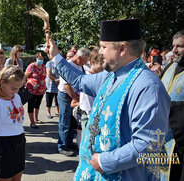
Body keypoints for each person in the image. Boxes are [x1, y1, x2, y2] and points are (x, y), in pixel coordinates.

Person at [46, 18, 170, 180]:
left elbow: (149, 145)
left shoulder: (148, 87)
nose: (100, 52)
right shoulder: (111, 75)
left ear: (123, 48)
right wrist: (56, 57)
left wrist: (105, 162)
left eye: (104, 47)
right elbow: (80, 81)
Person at [57, 48, 90, 157]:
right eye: (85, 61)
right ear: (79, 57)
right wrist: (75, 99)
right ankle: (62, 146)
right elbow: (67, 86)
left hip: (74, 96)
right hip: (66, 96)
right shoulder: (68, 65)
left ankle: (69, 143)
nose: (86, 63)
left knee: (72, 123)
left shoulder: (79, 65)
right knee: (64, 122)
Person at [160, 29, 184, 181]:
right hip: (162, 138)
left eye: (180, 46)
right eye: (173, 46)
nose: (174, 50)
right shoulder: (169, 68)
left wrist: (168, 108)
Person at [25, 52, 46, 128]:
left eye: (42, 58)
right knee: (31, 105)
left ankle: (36, 119)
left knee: (37, 105)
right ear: (36, 58)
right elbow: (26, 75)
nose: (40, 60)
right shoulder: (32, 66)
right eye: (39, 58)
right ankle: (32, 122)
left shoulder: (43, 66)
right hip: (32, 90)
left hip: (41, 90)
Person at [45, 53, 60, 119]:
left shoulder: (59, 63)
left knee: (57, 98)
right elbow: (49, 74)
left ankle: (57, 111)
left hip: (58, 83)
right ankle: (48, 112)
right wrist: (55, 79)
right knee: (49, 99)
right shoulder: (49, 63)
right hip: (50, 84)